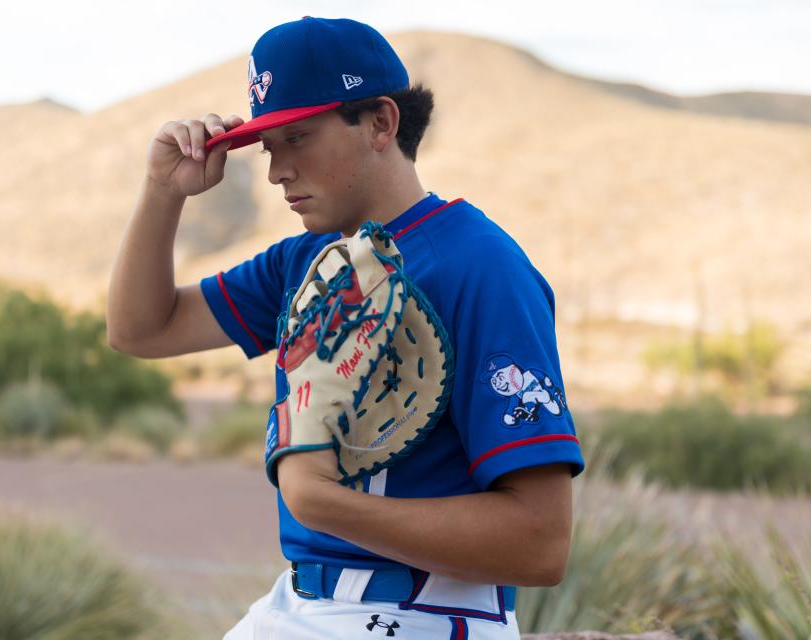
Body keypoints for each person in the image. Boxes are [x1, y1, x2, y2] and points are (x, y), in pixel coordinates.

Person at [107, 16, 585, 640]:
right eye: (269, 145)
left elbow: (540, 544)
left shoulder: (480, 266)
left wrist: (322, 503)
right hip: (297, 604)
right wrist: (161, 191)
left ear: (382, 123)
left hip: (425, 613)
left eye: (298, 137)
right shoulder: (307, 259)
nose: (277, 170)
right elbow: (142, 330)